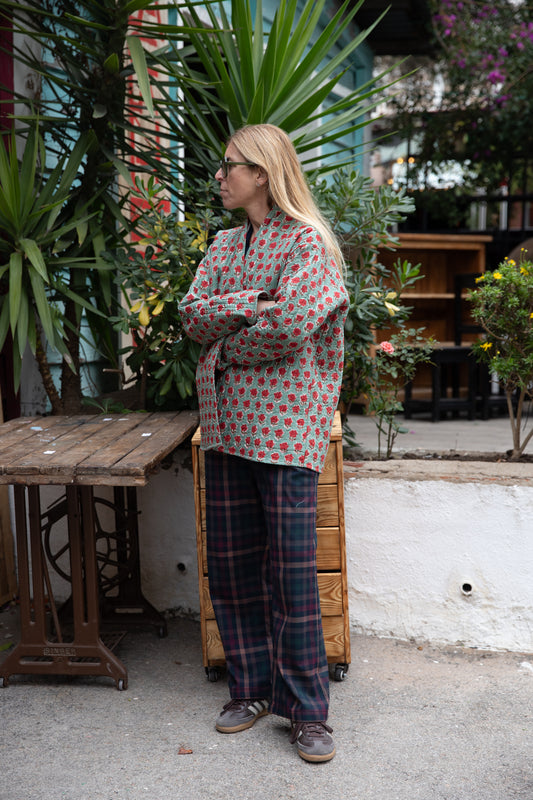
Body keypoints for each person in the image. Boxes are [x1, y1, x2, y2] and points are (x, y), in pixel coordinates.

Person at [179, 123, 349, 763]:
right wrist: (253, 303)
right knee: (231, 566)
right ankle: (248, 689)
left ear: (263, 172)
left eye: (230, 166)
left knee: (292, 576)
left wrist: (226, 349)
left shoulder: (310, 244)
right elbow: (192, 315)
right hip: (225, 426)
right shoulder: (225, 244)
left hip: (285, 431)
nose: (219, 176)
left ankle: (308, 712)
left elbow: (291, 326)